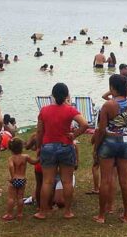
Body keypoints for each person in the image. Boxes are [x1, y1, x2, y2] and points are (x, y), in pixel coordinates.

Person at [93, 74, 127, 224]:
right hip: (126, 143)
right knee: (125, 180)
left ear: (112, 88)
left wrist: (97, 147)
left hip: (109, 143)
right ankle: (126, 215)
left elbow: (101, 130)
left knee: (106, 180)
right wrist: (126, 128)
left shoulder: (108, 105)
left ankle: (102, 215)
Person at [34, 83, 89, 220]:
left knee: (47, 181)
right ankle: (68, 211)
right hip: (65, 146)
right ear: (66, 95)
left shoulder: (44, 110)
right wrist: (74, 135)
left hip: (48, 146)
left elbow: (40, 131)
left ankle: (42, 211)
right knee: (67, 181)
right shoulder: (70, 110)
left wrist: (39, 146)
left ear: (52, 95)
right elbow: (85, 124)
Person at [2, 138, 39, 221]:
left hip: (14, 179)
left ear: (10, 149)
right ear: (21, 147)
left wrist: (12, 177)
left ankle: (9, 214)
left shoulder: (11, 158)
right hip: (22, 180)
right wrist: (39, 157)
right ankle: (20, 213)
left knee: (11, 198)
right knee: (20, 197)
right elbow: (34, 162)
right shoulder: (25, 157)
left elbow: (11, 166)